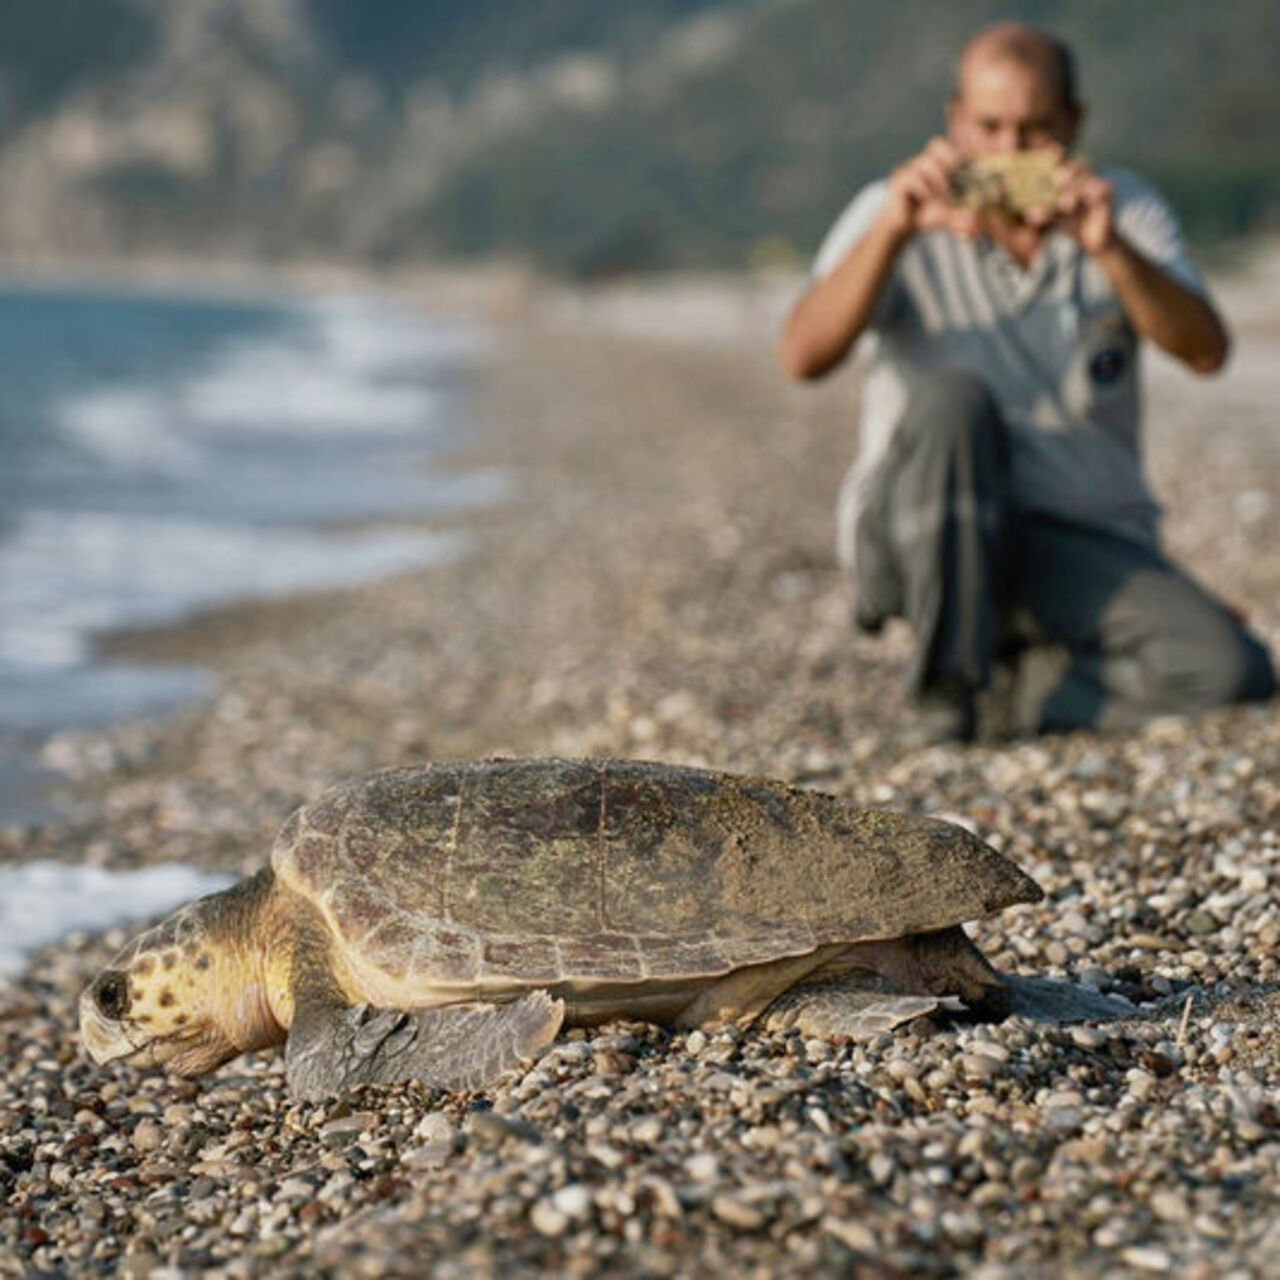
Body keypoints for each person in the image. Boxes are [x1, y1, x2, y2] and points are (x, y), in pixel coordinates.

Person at [778, 21, 1275, 743]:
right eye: (990, 128)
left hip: (1067, 544)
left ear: (1073, 125)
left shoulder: (1123, 210)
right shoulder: (888, 211)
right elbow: (802, 356)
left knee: (1228, 668)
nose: (1009, 152)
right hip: (919, 531)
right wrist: (893, 231)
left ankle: (1019, 694)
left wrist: (1108, 249)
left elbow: (1205, 352)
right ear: (955, 122)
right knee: (954, 400)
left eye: (1035, 130)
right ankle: (945, 699)